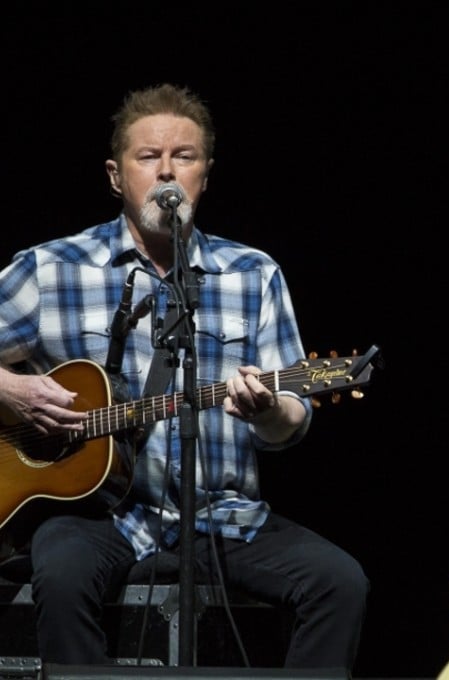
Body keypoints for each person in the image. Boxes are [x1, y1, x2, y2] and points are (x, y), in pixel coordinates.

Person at [0, 83, 368, 674]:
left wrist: (268, 410)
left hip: (222, 515)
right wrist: (13, 388)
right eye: (148, 158)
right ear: (117, 176)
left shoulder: (253, 273)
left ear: (206, 174)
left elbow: (293, 417)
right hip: (98, 518)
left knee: (339, 583)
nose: (167, 172)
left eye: (185, 157)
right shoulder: (51, 267)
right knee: (62, 576)